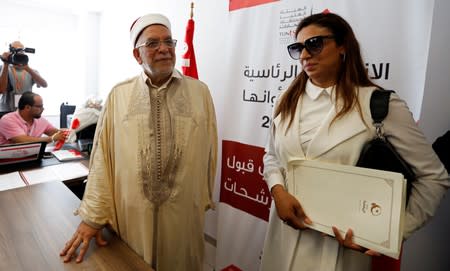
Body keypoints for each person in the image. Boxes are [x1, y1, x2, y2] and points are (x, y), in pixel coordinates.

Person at [260, 12, 449, 271]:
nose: (304, 55)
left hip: (340, 250)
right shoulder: (286, 100)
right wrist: (277, 190)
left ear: (342, 46)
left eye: (314, 44)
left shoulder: (378, 105)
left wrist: (391, 235)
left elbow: (434, 177)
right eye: (298, 48)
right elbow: (271, 155)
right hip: (282, 239)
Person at [60, 13, 218, 271]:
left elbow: (210, 150)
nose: (164, 49)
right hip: (131, 216)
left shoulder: (200, 92)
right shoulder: (119, 95)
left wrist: (203, 197)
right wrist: (93, 216)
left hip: (183, 214)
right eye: (153, 44)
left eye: (169, 41)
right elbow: (102, 158)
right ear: (137, 55)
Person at [0, 92, 66, 145]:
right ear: (27, 107)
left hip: (32, 157)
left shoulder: (40, 120)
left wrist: (68, 132)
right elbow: (22, 141)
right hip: (9, 160)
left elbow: (54, 132)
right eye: (39, 107)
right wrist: (51, 139)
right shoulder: (7, 120)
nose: (42, 109)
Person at [0, 41, 48, 113]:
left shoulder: (31, 71)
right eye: (15, 51)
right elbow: (1, 90)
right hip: (6, 110)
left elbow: (44, 85)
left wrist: (27, 68)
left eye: (21, 51)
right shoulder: (4, 68)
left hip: (25, 111)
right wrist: (6, 63)